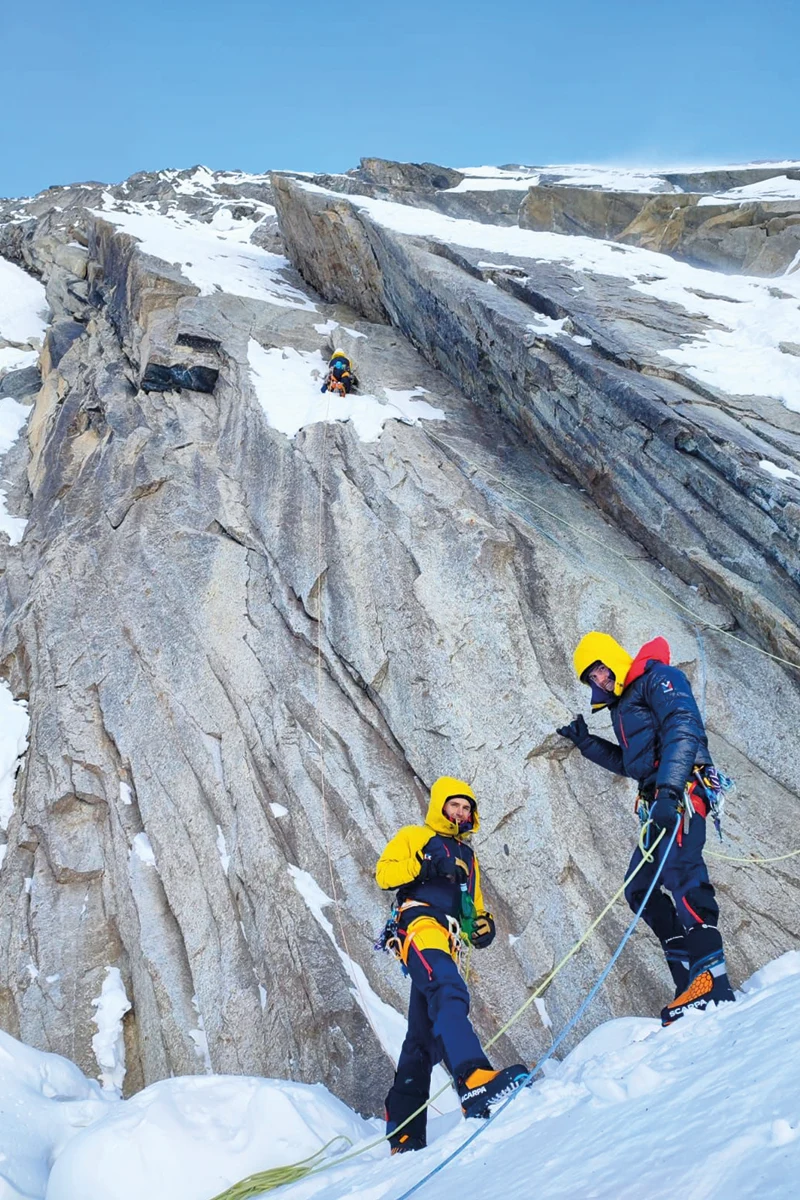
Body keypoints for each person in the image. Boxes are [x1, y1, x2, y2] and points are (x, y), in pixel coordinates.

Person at [557, 632, 735, 1025]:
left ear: (613, 659)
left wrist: (670, 790)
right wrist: (587, 744)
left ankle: (712, 978)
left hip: (682, 789)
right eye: (592, 679)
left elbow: (684, 726)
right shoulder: (622, 709)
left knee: (681, 871)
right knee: (640, 887)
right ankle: (689, 975)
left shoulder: (659, 677)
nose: (600, 681)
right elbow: (631, 764)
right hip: (660, 801)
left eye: (601, 670)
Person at [376, 776, 527, 1153]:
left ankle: (404, 1128)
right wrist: (422, 868)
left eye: (466, 808)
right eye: (454, 805)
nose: (460, 813)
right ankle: (472, 1075)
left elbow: (472, 907)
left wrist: (482, 926)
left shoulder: (468, 857)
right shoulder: (415, 836)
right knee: (448, 989)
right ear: (440, 806)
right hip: (418, 923)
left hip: (447, 935)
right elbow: (384, 874)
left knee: (421, 1038)